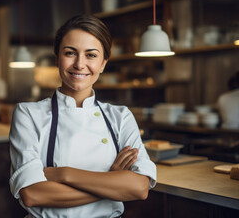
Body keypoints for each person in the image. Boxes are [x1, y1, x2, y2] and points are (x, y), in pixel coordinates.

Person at [9, 14, 156, 218]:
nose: (79, 64)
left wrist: (64, 174)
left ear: (103, 63)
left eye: (91, 55)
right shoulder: (28, 114)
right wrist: (112, 182)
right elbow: (33, 194)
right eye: (70, 53)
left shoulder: (121, 117)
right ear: (57, 58)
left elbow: (139, 187)